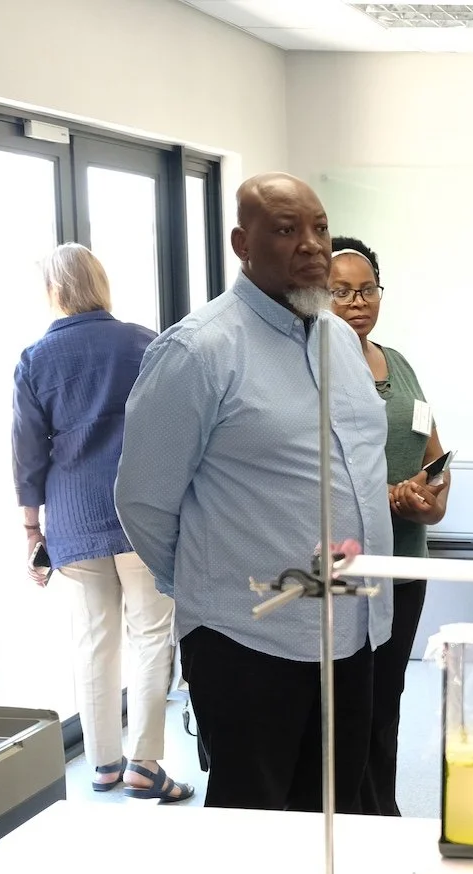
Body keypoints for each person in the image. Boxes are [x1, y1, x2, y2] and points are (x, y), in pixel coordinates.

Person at [115, 173, 392, 813]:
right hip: (249, 640)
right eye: (286, 230)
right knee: (254, 825)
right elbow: (144, 502)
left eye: (319, 228)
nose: (312, 246)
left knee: (334, 817)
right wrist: (215, 586)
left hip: (350, 628)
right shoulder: (199, 351)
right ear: (243, 242)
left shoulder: (339, 344)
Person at [11, 244, 192, 802]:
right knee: (150, 635)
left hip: (74, 519)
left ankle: (104, 765)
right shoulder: (145, 343)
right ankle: (145, 764)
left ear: (55, 292)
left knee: (93, 643)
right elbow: (176, 427)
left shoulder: (36, 358)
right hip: (142, 514)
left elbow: (26, 451)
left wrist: (32, 529)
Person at [329, 236, 449, 817]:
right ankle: (354, 815)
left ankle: (381, 807)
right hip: (346, 564)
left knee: (387, 696)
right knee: (350, 698)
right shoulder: (314, 368)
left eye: (367, 288)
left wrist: (429, 497)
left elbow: (432, 449)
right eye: (342, 292)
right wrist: (385, 498)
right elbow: (313, 473)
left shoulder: (397, 363)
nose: (358, 302)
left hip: (406, 562)